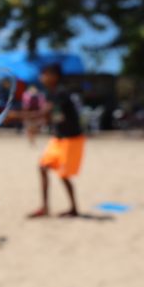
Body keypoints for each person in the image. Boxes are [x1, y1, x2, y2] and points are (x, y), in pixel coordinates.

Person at [9, 64, 85, 218]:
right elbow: (50, 117)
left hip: (71, 139)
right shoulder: (51, 94)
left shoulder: (61, 93)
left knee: (64, 175)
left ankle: (73, 209)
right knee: (43, 167)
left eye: (43, 74)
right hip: (58, 138)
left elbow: (45, 112)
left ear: (53, 76)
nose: (41, 78)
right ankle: (45, 208)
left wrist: (17, 115)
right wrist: (36, 125)